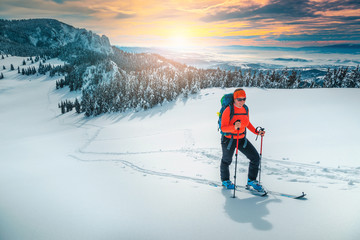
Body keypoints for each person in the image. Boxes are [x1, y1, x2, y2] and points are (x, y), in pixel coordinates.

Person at [220, 88, 265, 191]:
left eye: (244, 99)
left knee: (255, 158)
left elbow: (247, 123)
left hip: (241, 139)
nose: (242, 101)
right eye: (239, 99)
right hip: (228, 140)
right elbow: (223, 128)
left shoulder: (245, 109)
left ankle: (252, 180)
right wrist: (234, 127)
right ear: (234, 99)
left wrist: (257, 132)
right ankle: (225, 180)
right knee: (226, 160)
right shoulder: (228, 109)